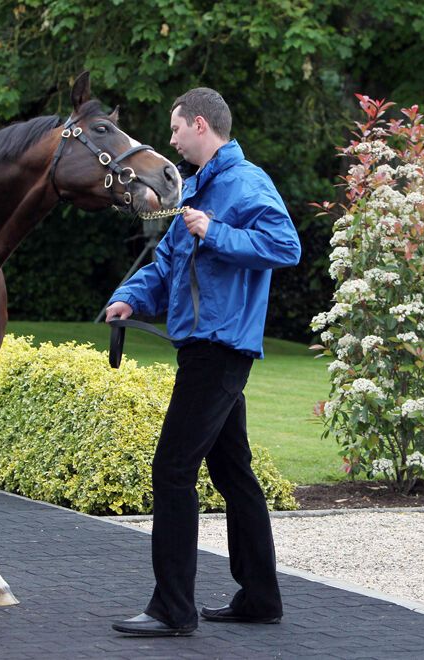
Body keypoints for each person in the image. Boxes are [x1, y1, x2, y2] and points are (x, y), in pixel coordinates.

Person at [106, 87, 301, 636]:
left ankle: (173, 609)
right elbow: (167, 261)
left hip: (220, 348)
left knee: (172, 469)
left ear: (199, 124)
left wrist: (216, 232)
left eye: (174, 129)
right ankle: (261, 596)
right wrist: (129, 296)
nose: (169, 140)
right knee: (231, 470)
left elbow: (286, 246)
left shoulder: (246, 183)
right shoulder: (196, 188)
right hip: (203, 343)